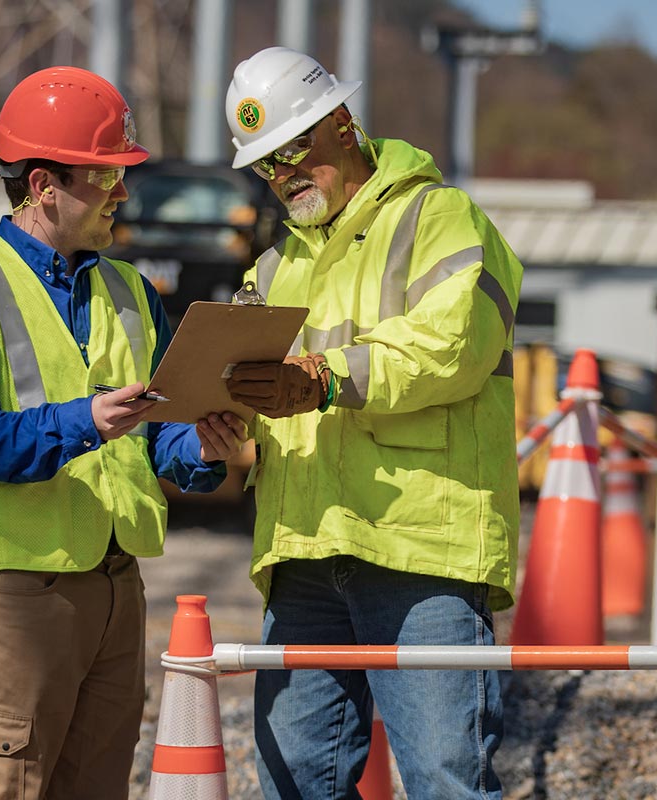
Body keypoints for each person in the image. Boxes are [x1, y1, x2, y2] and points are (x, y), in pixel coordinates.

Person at [0, 66, 247, 798]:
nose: (122, 192)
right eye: (105, 175)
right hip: (11, 601)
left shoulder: (129, 292)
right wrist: (83, 422)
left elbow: (160, 433)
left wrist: (201, 449)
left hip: (116, 589)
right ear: (42, 185)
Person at [220, 47, 523, 799]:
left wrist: (325, 378)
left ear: (343, 125)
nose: (283, 175)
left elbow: (455, 345)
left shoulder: (439, 217)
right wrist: (223, 431)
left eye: (292, 150)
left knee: (445, 781)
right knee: (296, 783)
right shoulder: (267, 269)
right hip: (304, 551)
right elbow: (262, 404)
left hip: (420, 549)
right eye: (264, 165)